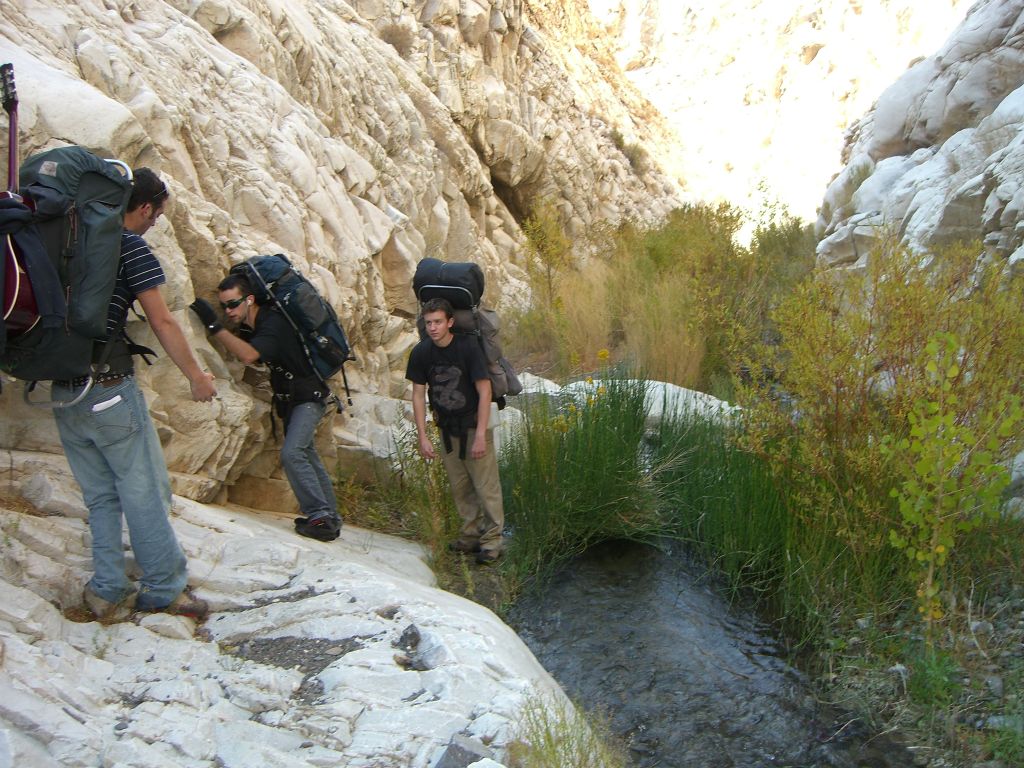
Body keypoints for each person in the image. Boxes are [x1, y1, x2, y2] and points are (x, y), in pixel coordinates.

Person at [52, 168, 217, 622]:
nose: (156, 223)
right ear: (144, 207)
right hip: (107, 388)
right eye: (157, 213)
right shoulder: (129, 247)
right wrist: (196, 376)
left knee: (101, 497)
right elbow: (162, 320)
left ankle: (106, 590)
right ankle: (164, 587)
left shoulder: (69, 241)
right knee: (142, 491)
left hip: (63, 391)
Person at [189, 274, 343, 542]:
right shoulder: (259, 323)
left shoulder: (273, 323)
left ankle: (320, 516)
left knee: (292, 453)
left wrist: (215, 326)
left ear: (250, 299)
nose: (229, 311)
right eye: (224, 306)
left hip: (309, 395)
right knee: (305, 452)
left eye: (233, 304)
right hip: (296, 397)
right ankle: (329, 516)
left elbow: (248, 355)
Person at [405, 297, 504, 564]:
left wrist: (481, 433)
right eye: (428, 323)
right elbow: (417, 394)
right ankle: (470, 535)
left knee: (486, 486)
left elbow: (484, 391)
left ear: (450, 322)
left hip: (474, 425)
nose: (433, 328)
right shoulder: (421, 352)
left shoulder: (468, 347)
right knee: (460, 486)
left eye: (438, 322)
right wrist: (422, 436)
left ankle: (492, 541)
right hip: (447, 429)